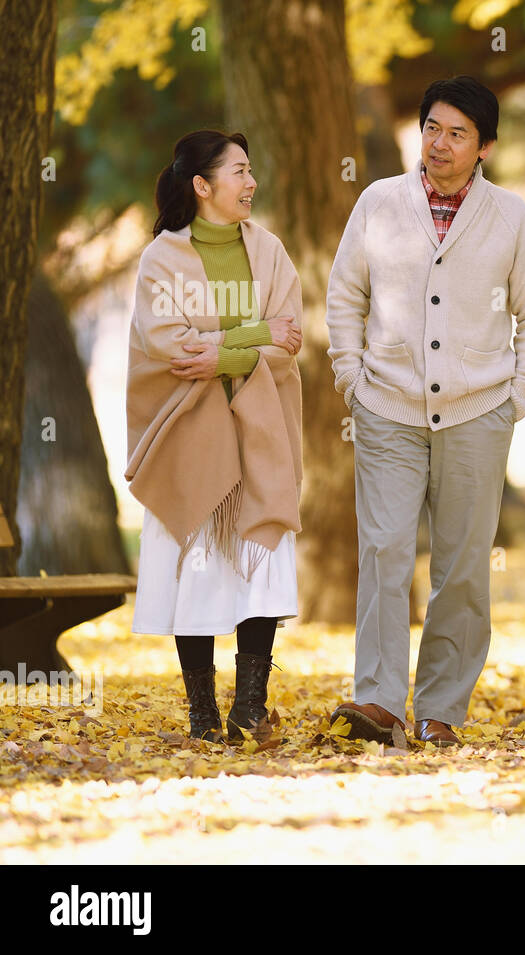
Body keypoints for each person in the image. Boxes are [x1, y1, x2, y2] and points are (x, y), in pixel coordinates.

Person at [325, 75, 525, 745]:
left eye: (457, 133)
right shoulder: (379, 202)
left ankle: (440, 710)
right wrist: (352, 378)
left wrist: (516, 397)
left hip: (477, 412)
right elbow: (345, 296)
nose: (440, 143)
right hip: (387, 408)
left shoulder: (510, 215)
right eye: (431, 127)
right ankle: (380, 703)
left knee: (461, 567)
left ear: (484, 146)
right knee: (384, 548)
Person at [126, 130, 304, 743]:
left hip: (259, 427)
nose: (250, 183)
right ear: (201, 185)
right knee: (195, 567)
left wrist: (224, 350)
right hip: (191, 434)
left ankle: (248, 709)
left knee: (263, 563)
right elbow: (170, 345)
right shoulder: (163, 258)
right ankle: (203, 714)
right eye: (238, 171)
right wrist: (251, 338)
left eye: (250, 170)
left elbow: (289, 342)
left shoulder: (270, 251)